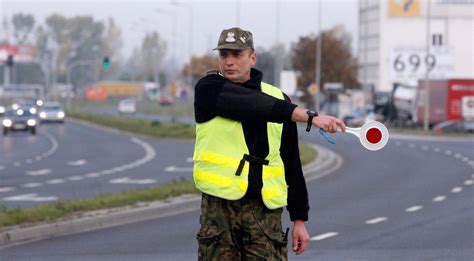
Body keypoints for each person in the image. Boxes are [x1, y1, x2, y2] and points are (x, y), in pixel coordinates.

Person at [193, 27, 345, 260]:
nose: (229, 62)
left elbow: (291, 162)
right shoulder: (209, 89)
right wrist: (310, 116)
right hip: (219, 212)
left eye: (237, 55)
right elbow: (251, 103)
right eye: (224, 55)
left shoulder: (279, 99)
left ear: (252, 58)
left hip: (264, 214)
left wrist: (299, 219)